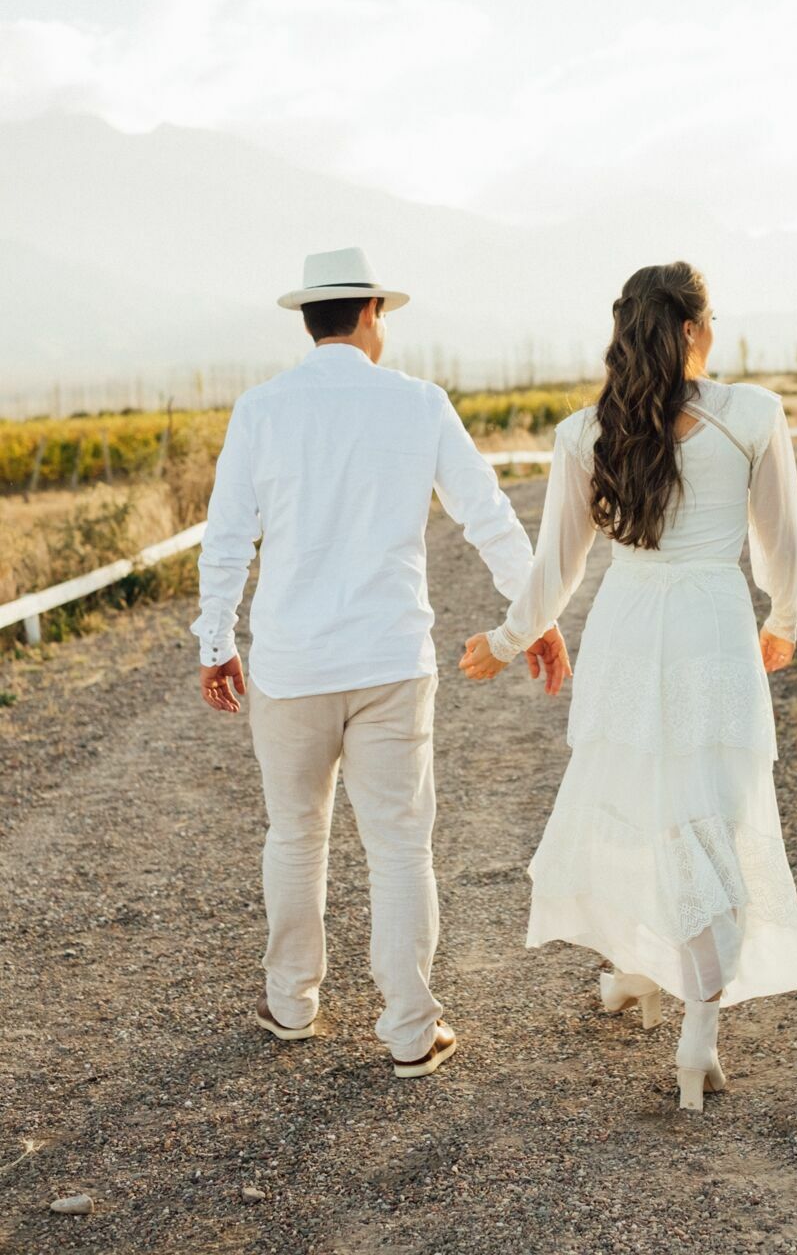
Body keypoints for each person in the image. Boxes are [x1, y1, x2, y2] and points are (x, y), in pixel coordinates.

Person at [191, 245, 569, 1078]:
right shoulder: (419, 404)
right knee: (399, 848)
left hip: (290, 664)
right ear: (368, 313)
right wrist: (533, 613)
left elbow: (227, 540)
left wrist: (216, 642)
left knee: (295, 836)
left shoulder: (260, 410)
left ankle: (291, 1005)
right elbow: (487, 515)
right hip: (392, 661)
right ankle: (408, 1031)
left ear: (309, 318)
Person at [460, 261, 797, 1111]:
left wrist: (509, 639)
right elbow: (785, 551)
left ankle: (648, 975)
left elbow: (558, 567)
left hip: (626, 626)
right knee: (708, 817)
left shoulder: (586, 432)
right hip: (710, 629)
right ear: (694, 329)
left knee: (642, 806)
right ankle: (692, 1018)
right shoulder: (752, 416)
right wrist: (784, 619)